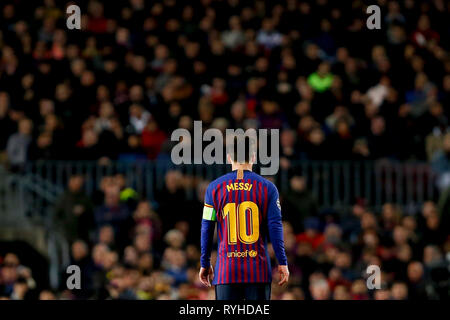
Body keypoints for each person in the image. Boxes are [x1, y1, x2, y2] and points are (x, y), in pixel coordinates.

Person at [199, 135, 289, 300]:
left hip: (226, 271)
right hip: (258, 270)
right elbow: (275, 227)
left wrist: (204, 263)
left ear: (229, 157)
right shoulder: (268, 188)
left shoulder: (214, 188)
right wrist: (282, 262)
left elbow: (207, 227)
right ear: (254, 157)